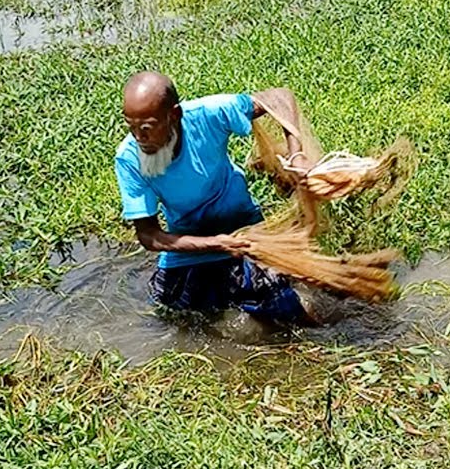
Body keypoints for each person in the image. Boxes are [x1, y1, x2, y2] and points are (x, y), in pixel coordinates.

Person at [113, 71, 316, 324]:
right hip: (190, 244)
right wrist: (217, 244)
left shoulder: (208, 115)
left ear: (174, 115)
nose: (139, 137)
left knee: (288, 314)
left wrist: (296, 156)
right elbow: (149, 235)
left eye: (147, 128)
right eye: (131, 126)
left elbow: (279, 97)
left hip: (245, 232)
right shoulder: (129, 158)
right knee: (176, 315)